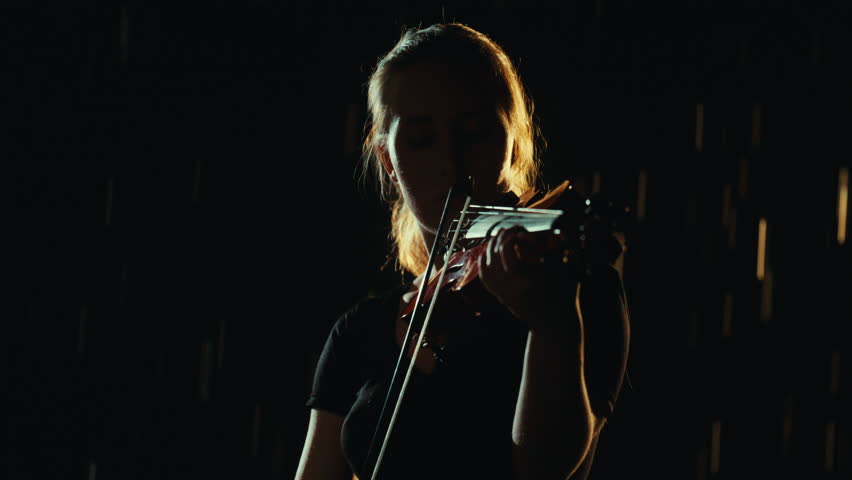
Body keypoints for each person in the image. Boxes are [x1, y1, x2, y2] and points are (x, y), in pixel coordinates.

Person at [295, 23, 630, 480]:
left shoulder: (573, 283)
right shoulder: (359, 333)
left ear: (513, 142)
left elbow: (543, 469)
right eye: (420, 139)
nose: (452, 162)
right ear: (388, 163)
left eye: (475, 133)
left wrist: (553, 323)